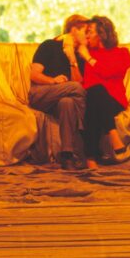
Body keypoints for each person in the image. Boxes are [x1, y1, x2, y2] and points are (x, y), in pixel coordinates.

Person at [29, 14, 89, 170]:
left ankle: (67, 156)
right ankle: (84, 137)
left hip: (61, 99)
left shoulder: (78, 55)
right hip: (41, 93)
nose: (88, 36)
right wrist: (52, 81)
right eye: (85, 31)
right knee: (76, 88)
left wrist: (72, 60)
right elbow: (34, 75)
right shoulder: (49, 45)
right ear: (74, 30)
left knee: (67, 103)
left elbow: (78, 82)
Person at [78, 16, 130, 169]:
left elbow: (108, 72)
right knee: (94, 94)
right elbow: (87, 83)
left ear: (101, 34)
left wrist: (88, 58)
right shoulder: (88, 54)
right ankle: (113, 136)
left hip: (114, 100)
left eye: (90, 32)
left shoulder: (122, 53)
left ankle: (90, 159)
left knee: (97, 92)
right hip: (93, 99)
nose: (87, 36)